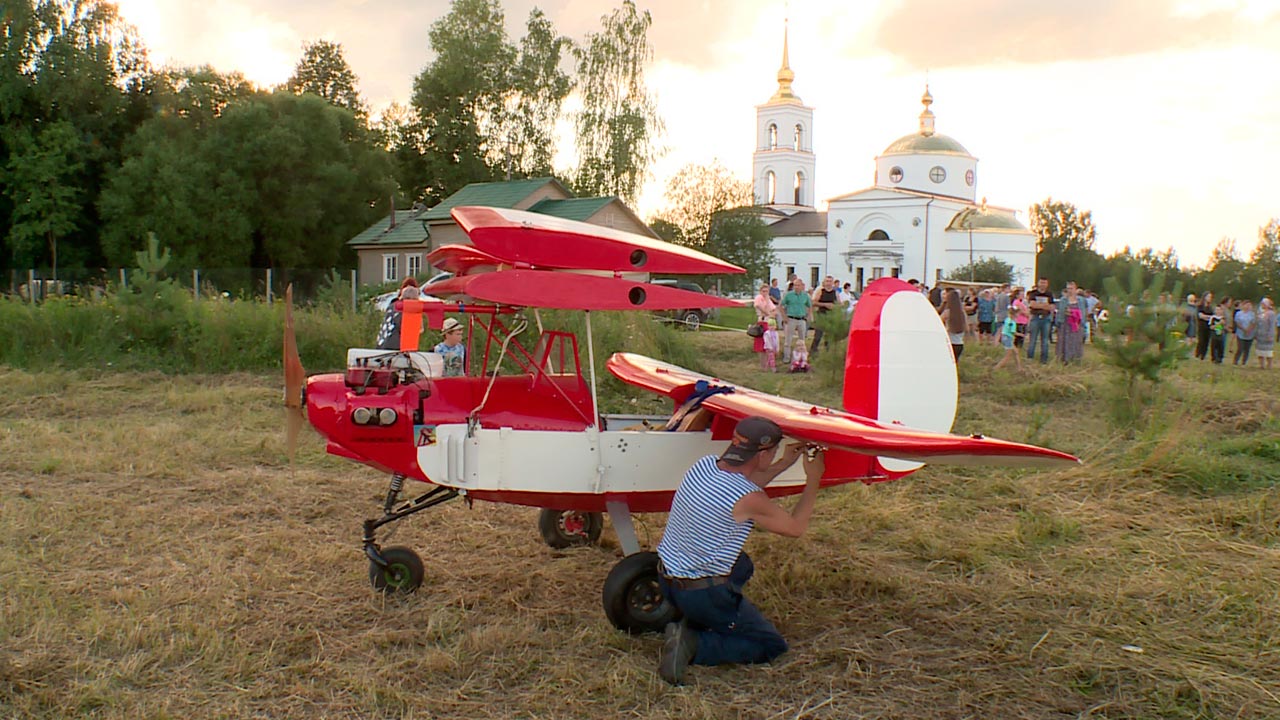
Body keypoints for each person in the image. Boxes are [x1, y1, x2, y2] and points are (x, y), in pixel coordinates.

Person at [655, 416, 825, 685]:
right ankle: (694, 642)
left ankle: (693, 617)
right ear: (763, 453)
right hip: (701, 594)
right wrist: (814, 479)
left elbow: (746, 487)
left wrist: (783, 463)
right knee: (770, 646)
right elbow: (795, 528)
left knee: (742, 564)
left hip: (666, 577)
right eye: (774, 451)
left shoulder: (705, 465)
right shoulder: (748, 497)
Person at [375, 278, 421, 350]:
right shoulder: (406, 309)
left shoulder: (392, 306)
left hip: (381, 346)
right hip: (395, 349)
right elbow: (414, 331)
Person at [780, 279, 812, 364]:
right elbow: (781, 305)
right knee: (788, 340)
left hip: (801, 319)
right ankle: (786, 358)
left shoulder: (805, 296)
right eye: (795, 285)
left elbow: (809, 306)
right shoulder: (789, 295)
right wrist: (784, 317)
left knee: (802, 340)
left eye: (798, 285)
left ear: (802, 286)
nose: (797, 287)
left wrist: (808, 315)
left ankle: (802, 358)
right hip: (791, 319)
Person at [1055, 282, 1087, 364]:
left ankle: (1076, 359)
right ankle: (1064, 359)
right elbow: (1059, 312)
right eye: (1068, 288)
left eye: (1071, 288)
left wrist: (1080, 318)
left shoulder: (1081, 300)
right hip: (1065, 323)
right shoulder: (1063, 300)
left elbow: (1084, 311)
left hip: (1077, 323)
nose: (1070, 290)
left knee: (1076, 340)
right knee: (1064, 340)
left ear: (1075, 289)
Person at [1026, 278, 1055, 364]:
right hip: (1035, 318)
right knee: (1033, 339)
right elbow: (1032, 305)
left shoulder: (1049, 294)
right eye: (1041, 282)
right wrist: (1045, 306)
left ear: (1047, 284)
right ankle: (1030, 358)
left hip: (1046, 318)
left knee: (1045, 340)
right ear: (1038, 283)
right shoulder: (1033, 293)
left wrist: (1039, 305)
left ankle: (1044, 360)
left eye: (1045, 283)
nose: (1043, 284)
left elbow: (1052, 307)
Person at [809, 276, 839, 354]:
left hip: (831, 316)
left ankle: (827, 353)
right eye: (827, 281)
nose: (828, 283)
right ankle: (813, 352)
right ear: (824, 282)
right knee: (818, 336)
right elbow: (814, 302)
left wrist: (835, 306)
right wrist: (824, 304)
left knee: (829, 336)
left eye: (830, 281)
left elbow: (839, 303)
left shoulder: (835, 292)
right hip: (821, 315)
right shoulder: (820, 291)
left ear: (832, 283)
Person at [993, 301, 1024, 371]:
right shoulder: (1013, 322)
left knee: (1016, 352)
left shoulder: (1007, 320)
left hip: (1004, 337)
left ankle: (1019, 367)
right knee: (1007, 356)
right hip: (1009, 338)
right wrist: (1021, 335)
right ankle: (996, 368)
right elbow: (1013, 332)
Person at [941, 288, 966, 361]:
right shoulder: (962, 313)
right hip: (959, 343)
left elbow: (938, 324)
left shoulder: (947, 313)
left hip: (949, 343)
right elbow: (966, 328)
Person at [1254, 298, 1276, 369]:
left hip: (1267, 335)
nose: (1262, 305)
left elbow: (1272, 325)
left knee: (1268, 351)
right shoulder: (1260, 313)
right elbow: (1257, 324)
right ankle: (1261, 365)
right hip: (1260, 335)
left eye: (1264, 304)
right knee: (1260, 351)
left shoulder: (1271, 313)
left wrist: (1270, 335)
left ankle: (1269, 365)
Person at [1233, 300, 1257, 366]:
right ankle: (1235, 361)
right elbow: (1237, 323)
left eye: (1249, 305)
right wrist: (1244, 329)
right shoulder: (1239, 313)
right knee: (1240, 348)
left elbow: (1253, 323)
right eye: (1246, 305)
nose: (1248, 306)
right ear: (1243, 305)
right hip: (1240, 333)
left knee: (1247, 349)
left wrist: (1249, 330)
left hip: (1250, 334)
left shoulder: (1252, 314)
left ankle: (1244, 362)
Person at [1195, 292, 1215, 360]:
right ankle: (1198, 354)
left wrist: (1207, 317)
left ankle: (1203, 356)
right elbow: (1201, 316)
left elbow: (1213, 317)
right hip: (1201, 326)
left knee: (1206, 341)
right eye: (1209, 296)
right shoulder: (1200, 306)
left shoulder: (1210, 308)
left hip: (1208, 326)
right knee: (1201, 340)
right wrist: (1208, 317)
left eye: (1211, 297)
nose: (1210, 298)